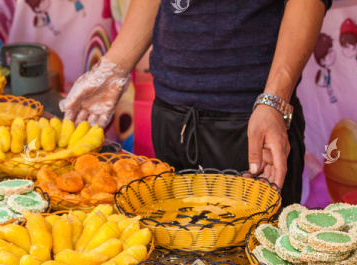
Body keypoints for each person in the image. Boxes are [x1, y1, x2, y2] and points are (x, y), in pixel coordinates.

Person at [60, 0, 332, 206]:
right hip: (170, 113)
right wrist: (114, 68)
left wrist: (274, 101)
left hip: (252, 121)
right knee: (175, 262)